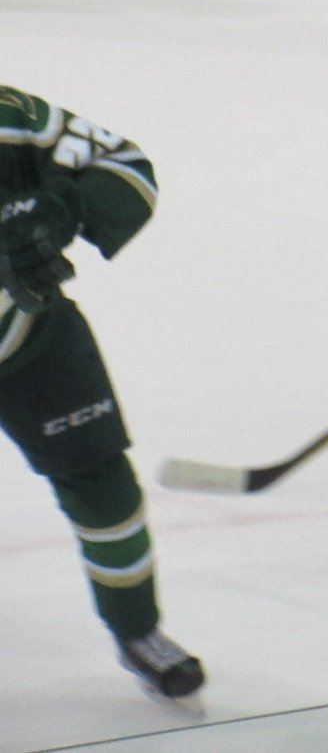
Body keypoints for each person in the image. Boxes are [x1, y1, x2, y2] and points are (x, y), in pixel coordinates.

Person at [0, 86, 204, 701]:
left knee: (105, 488)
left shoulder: (10, 120)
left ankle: (136, 628)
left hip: (28, 340)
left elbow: (125, 164)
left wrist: (63, 209)